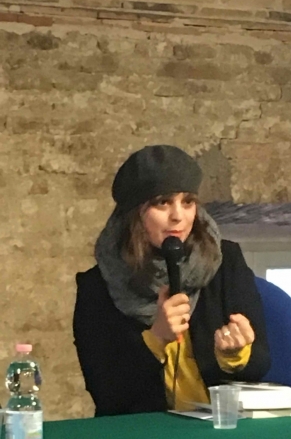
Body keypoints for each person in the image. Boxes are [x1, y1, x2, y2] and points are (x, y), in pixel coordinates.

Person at [73, 144, 271, 416]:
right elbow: (107, 394)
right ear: (134, 213)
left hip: (219, 426)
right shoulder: (98, 286)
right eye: (163, 202)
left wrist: (235, 354)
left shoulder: (226, 261)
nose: (178, 216)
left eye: (187, 202)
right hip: (144, 434)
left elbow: (261, 363)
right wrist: (156, 338)